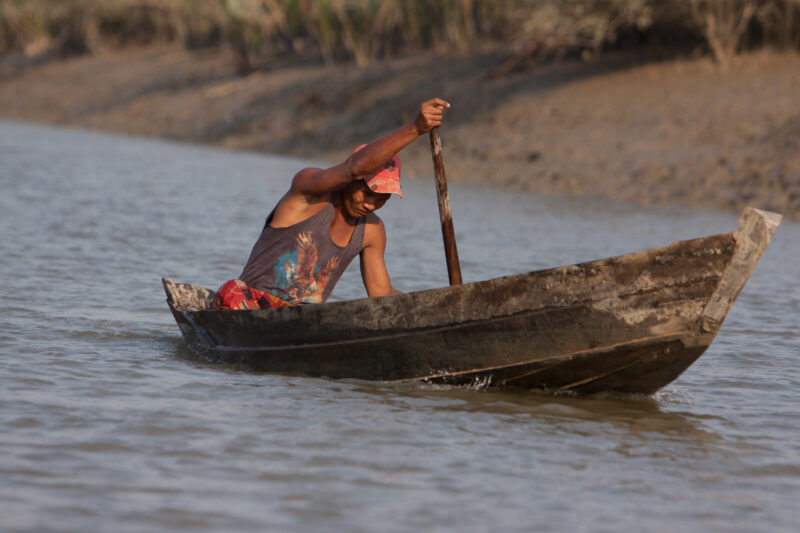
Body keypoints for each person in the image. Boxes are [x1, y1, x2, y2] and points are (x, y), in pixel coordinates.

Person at [214, 97, 451, 310]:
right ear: (350, 181)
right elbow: (355, 167)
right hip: (248, 306)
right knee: (231, 291)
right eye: (367, 193)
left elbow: (380, 294)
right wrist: (415, 128)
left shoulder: (371, 230)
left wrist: (440, 306)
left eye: (382, 200)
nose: (370, 205)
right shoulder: (308, 192)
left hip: (300, 324)